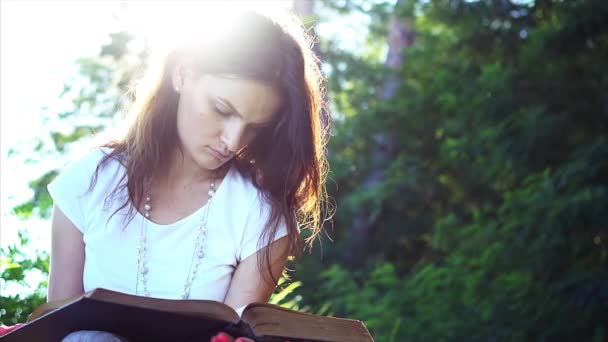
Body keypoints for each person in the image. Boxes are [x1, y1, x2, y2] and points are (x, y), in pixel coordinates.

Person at [44, 9, 329, 342]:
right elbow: (57, 327)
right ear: (182, 74)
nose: (234, 141)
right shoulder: (89, 181)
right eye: (222, 109)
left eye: (255, 128)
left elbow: (232, 337)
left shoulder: (260, 213)